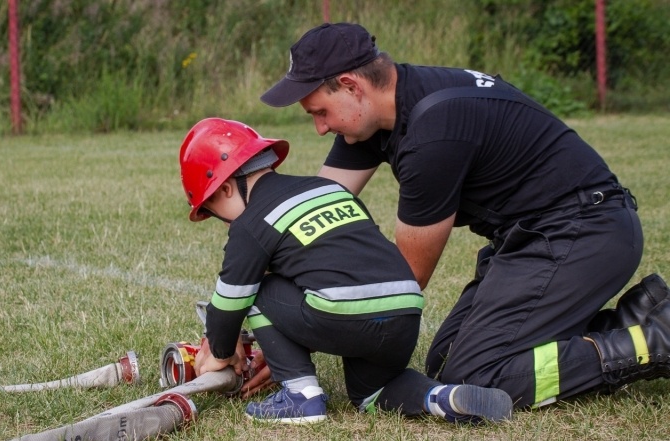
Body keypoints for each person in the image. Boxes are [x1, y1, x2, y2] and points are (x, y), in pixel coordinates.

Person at [260, 22, 670, 409]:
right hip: (537, 236)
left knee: (477, 375)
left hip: (583, 233)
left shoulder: (433, 133)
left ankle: (657, 341)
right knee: (446, 360)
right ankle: (635, 318)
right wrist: (269, 329)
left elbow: (403, 283)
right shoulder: (382, 113)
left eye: (320, 112)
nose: (319, 128)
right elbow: (311, 214)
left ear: (351, 86)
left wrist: (304, 327)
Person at [179, 117, 513, 424]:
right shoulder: (329, 189)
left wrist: (220, 353)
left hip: (342, 311)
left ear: (224, 189)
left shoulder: (251, 223)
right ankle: (442, 397)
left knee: (256, 289)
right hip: (405, 307)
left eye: (213, 210)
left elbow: (228, 304)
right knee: (373, 391)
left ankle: (300, 395)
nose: (223, 223)